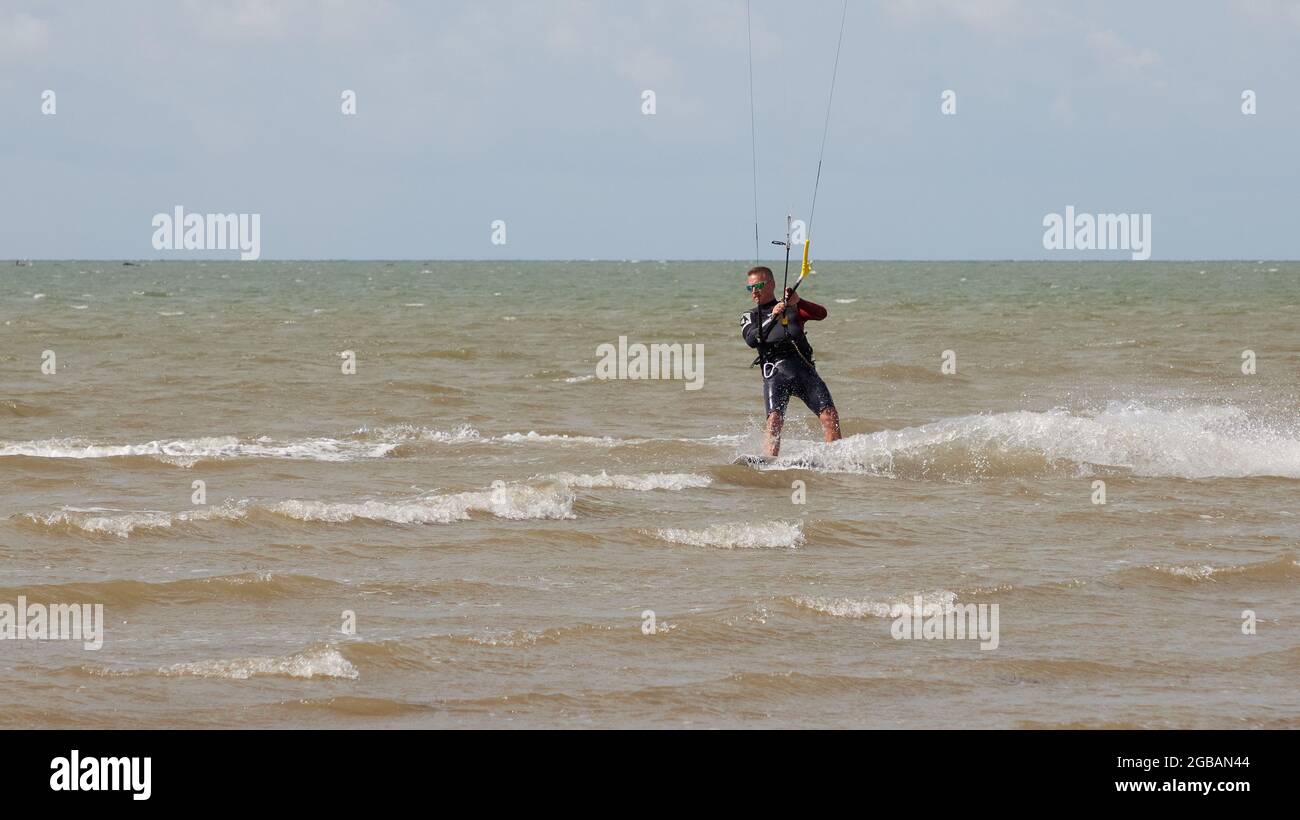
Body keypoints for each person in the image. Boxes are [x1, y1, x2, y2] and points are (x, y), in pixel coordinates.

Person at [740, 265, 841, 457]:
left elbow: (822, 314)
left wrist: (799, 301)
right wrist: (773, 315)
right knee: (774, 420)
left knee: (830, 416)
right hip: (775, 374)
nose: (754, 291)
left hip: (804, 371)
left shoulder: (792, 308)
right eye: (750, 287)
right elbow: (752, 339)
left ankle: (836, 459)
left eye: (758, 285)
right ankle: (769, 461)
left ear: (772, 284)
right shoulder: (750, 316)